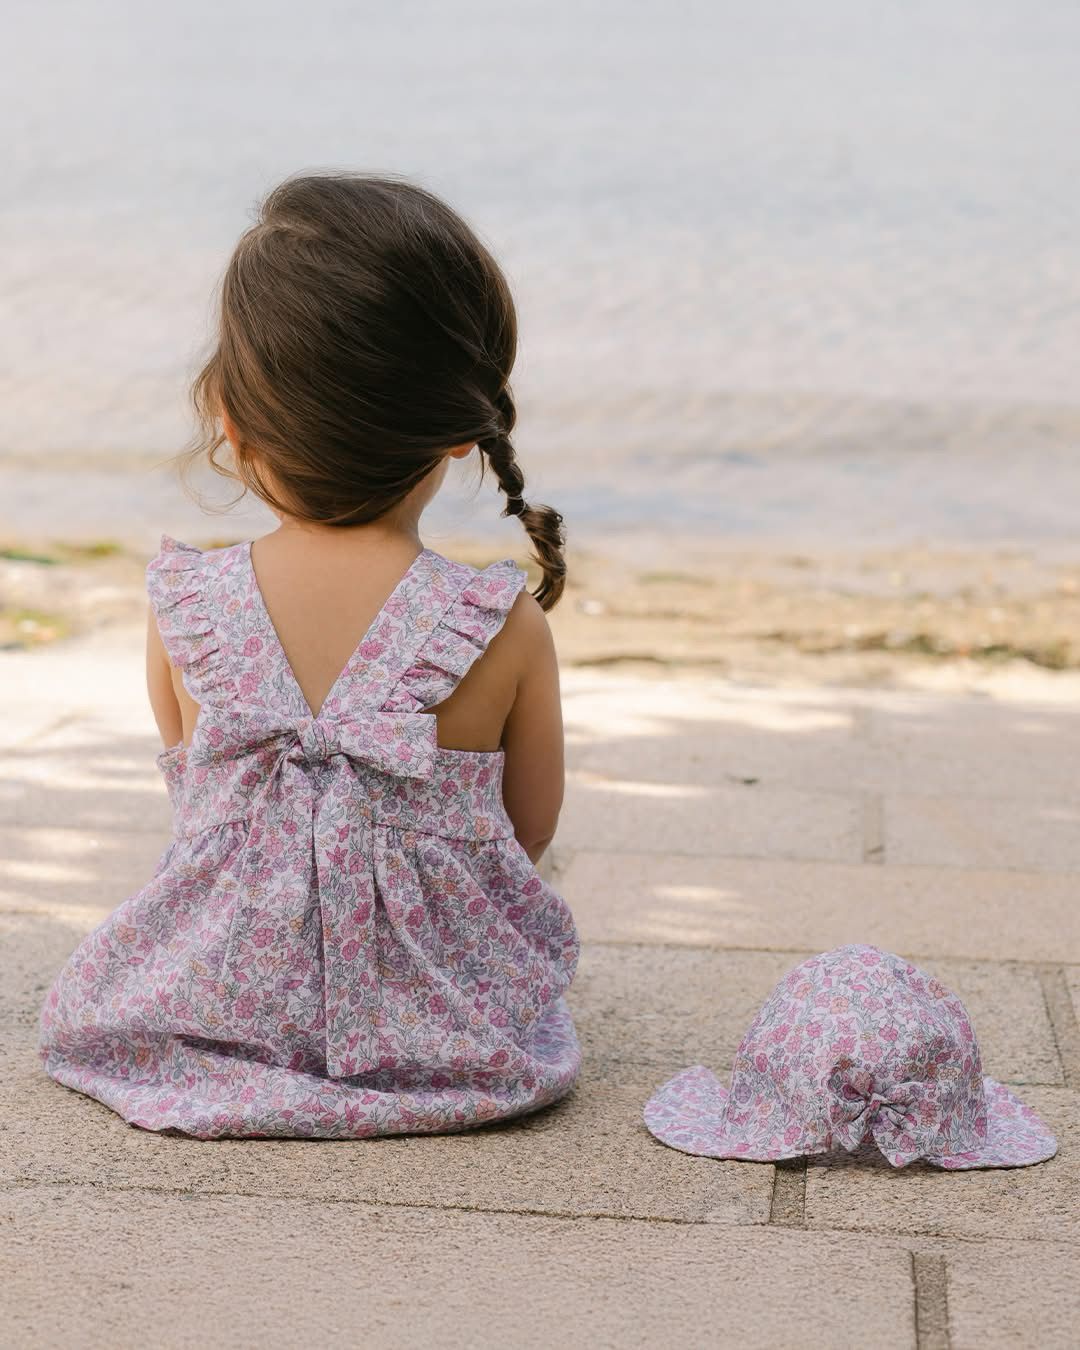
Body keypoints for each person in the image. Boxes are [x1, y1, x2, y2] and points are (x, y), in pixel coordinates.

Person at [37, 172, 582, 1140]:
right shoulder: (500, 623)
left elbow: (199, 810)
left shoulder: (187, 608)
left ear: (231, 419)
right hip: (445, 1029)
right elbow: (526, 833)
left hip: (215, 1005)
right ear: (463, 430)